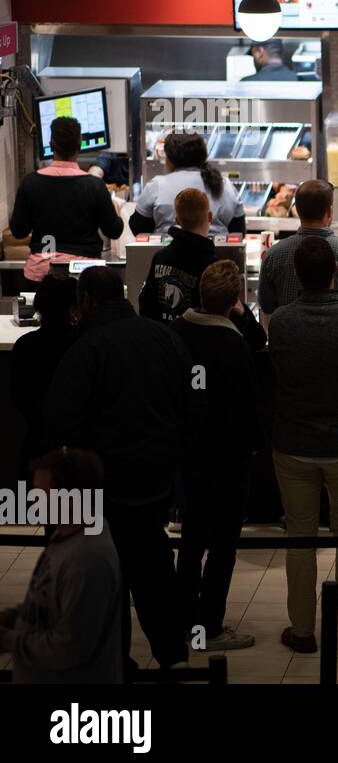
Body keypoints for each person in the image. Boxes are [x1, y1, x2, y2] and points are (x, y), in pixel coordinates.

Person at [43, 266, 198, 671]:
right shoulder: (165, 337)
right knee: (154, 568)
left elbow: (64, 421)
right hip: (156, 479)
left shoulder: (85, 349)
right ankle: (172, 655)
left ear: (88, 302)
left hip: (105, 485)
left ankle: (117, 660)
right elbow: (189, 401)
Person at [268, 235, 338, 656]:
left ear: (297, 276)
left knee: (299, 537)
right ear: (336, 272)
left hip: (294, 449)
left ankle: (302, 630)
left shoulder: (281, 321)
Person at [171, 261, 259, 652]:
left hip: (189, 456)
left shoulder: (178, 331)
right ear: (235, 300)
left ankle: (184, 619)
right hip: (227, 460)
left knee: (191, 542)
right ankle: (210, 626)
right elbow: (244, 409)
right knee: (223, 547)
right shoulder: (232, 344)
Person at [0, 447, 123, 684]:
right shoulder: (65, 535)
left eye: (40, 493)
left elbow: (70, 647)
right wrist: (14, 616)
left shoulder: (87, 559)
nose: (31, 499)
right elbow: (51, 602)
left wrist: (8, 640)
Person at [138, 188, 265, 348]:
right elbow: (253, 336)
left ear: (177, 220)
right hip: (202, 353)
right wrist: (245, 316)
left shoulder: (160, 257)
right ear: (210, 217)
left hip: (165, 351)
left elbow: (145, 306)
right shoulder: (213, 267)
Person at [9, 116, 124, 284]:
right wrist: (117, 211)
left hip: (42, 275)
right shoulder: (94, 186)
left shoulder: (30, 183)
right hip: (84, 277)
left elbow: (18, 231)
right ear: (79, 145)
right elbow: (114, 230)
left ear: (51, 144)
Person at [257, 179, 338, 316]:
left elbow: (267, 305)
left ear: (298, 211)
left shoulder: (273, 255)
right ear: (329, 212)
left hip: (291, 335)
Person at [10, 275, 79, 482]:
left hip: (35, 441)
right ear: (74, 307)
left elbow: (17, 395)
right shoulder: (83, 344)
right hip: (76, 443)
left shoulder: (24, 345)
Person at [130, 130, 244, 237]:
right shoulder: (225, 185)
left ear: (170, 159)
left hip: (169, 255)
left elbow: (138, 228)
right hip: (217, 256)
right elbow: (239, 231)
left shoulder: (156, 186)